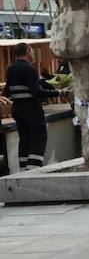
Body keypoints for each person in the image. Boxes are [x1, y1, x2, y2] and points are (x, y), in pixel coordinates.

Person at [4, 41, 59, 170]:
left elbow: (7, 91)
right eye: (31, 50)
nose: (33, 53)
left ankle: (23, 169)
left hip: (17, 110)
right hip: (32, 110)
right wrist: (58, 93)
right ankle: (33, 168)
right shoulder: (29, 68)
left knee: (25, 139)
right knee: (39, 138)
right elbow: (36, 92)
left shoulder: (10, 69)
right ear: (27, 51)